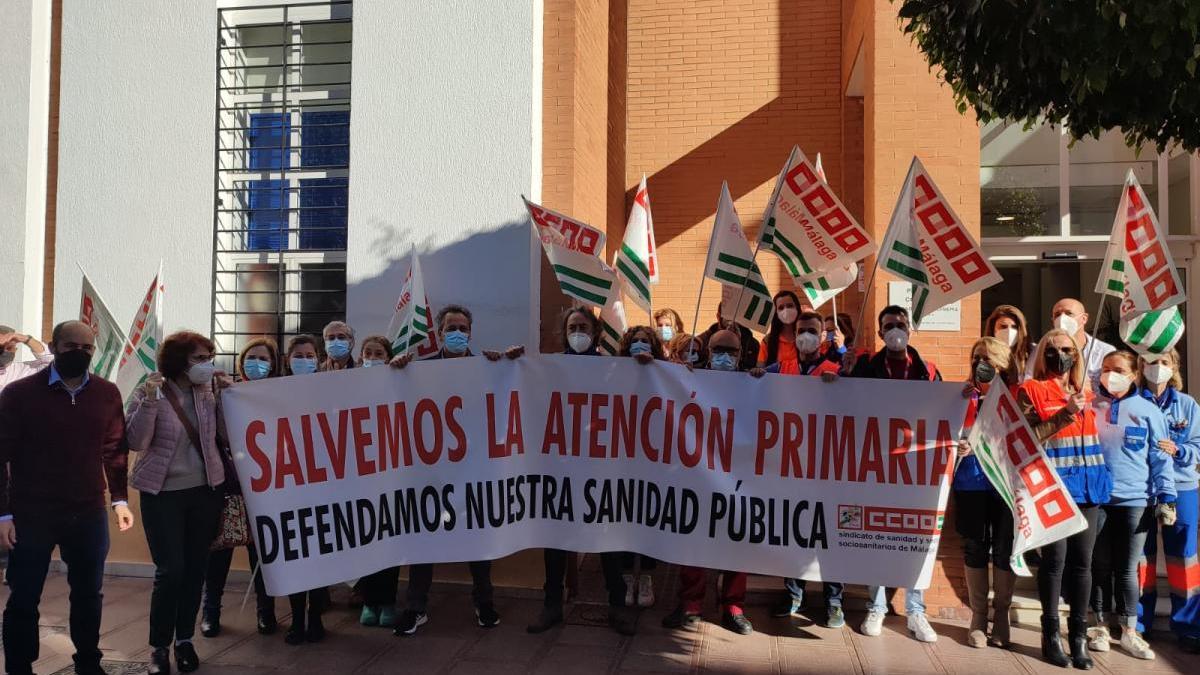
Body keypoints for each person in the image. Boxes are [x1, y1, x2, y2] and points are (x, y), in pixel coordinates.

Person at [0, 320, 133, 675]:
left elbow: (115, 449)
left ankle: (88, 662)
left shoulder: (107, 394)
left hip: (87, 512)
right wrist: (3, 516)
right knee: (24, 597)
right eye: (72, 346)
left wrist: (120, 500)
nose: (81, 353)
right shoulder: (18, 394)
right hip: (31, 513)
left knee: (89, 595)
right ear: (54, 346)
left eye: (88, 348)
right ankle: (19, 667)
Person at [389, 304, 523, 636]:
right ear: (439, 331)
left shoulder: (485, 366)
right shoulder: (421, 370)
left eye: (463, 328)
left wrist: (506, 364)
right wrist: (398, 369)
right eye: (451, 327)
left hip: (474, 471)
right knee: (424, 541)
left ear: (471, 333)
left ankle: (484, 602)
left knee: (478, 540)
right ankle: (416, 607)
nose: (458, 333)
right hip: (431, 474)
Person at [527, 307, 637, 636]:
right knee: (556, 539)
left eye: (583, 326)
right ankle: (552, 605)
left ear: (596, 332)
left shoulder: (613, 367)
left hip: (601, 469)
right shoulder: (550, 367)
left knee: (607, 541)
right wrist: (511, 360)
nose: (577, 331)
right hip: (560, 469)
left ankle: (617, 606)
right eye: (572, 326)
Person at [126, 331, 230, 674]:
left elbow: (227, 437)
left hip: (205, 491)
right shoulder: (148, 390)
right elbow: (136, 439)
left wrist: (229, 398)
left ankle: (184, 640)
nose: (207, 364)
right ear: (179, 360)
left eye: (209, 357)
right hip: (162, 494)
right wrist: (151, 400)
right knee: (171, 571)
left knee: (195, 568)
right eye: (199, 358)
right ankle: (159, 647)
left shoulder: (209, 394)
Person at [843, 305, 938, 642]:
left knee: (917, 539)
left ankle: (916, 611)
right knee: (873, 533)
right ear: (881, 333)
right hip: (875, 464)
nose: (895, 329)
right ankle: (877, 606)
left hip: (914, 470)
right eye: (889, 325)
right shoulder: (868, 366)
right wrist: (845, 374)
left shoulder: (928, 370)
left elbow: (942, 412)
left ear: (910, 329)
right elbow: (846, 405)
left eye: (900, 324)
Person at [1018, 328, 1110, 669]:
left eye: (1067, 349)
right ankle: (1051, 633)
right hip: (1053, 490)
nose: (1061, 355)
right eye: (1053, 349)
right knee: (1055, 563)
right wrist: (1064, 414)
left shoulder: (1086, 391)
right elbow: (1026, 437)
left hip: (1089, 488)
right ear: (1043, 354)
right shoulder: (1031, 389)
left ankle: (1078, 636)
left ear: (1077, 353)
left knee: (1082, 565)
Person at [661, 328, 757, 635]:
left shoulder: (754, 384)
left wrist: (762, 381)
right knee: (693, 540)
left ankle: (733, 606)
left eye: (731, 351)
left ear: (741, 355)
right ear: (708, 352)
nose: (724, 357)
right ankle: (691, 603)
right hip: (697, 475)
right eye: (718, 350)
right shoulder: (691, 379)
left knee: (738, 541)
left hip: (737, 478)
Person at [1086, 351, 1174, 661]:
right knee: (1099, 565)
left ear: (1134, 374)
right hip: (1097, 499)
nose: (1111, 375)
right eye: (1106, 369)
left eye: (1119, 370)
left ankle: (1128, 631)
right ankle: (1097, 626)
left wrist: (1168, 497)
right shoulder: (1090, 407)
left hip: (1137, 500)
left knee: (1127, 570)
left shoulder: (1149, 411)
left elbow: (1160, 457)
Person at [767, 311, 843, 627]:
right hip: (790, 465)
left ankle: (834, 601)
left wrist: (842, 381)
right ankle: (793, 593)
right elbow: (745, 384)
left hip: (828, 466)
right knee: (793, 531)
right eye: (801, 330)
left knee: (831, 535)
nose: (806, 335)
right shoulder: (781, 367)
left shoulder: (836, 369)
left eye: (812, 330)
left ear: (823, 334)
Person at [201, 338, 278, 639]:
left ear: (273, 365)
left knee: (264, 555)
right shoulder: (223, 394)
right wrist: (222, 394)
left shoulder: (279, 394)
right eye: (251, 357)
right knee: (219, 551)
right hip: (230, 486)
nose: (257, 363)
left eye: (263, 358)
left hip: (266, 489)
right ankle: (210, 611)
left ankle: (265, 611)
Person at [953, 337, 1020, 649]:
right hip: (971, 482)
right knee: (975, 548)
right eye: (977, 357)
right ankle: (978, 617)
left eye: (990, 360)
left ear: (1002, 364)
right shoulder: (962, 396)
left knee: (1004, 549)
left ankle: (1001, 616)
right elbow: (945, 434)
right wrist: (958, 445)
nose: (982, 364)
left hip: (1005, 484)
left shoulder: (1017, 396)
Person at [1136, 349, 1200, 653]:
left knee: (1183, 559)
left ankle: (1187, 626)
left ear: (1174, 366)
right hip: (1142, 488)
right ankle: (1138, 624)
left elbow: (1198, 447)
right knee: (1141, 558)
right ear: (1140, 366)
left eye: (1164, 362)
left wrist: (1180, 450)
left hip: (1183, 486)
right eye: (1150, 362)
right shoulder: (1131, 403)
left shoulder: (1187, 405)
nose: (1157, 368)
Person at [279, 334, 331, 645]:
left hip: (323, 486)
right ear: (288, 360)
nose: (304, 360)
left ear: (318, 358)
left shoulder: (331, 387)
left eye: (309, 355)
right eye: (298, 355)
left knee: (319, 558)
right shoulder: (271, 391)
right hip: (287, 488)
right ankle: (297, 618)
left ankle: (315, 617)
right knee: (295, 557)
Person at [616, 325, 666, 607]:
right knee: (623, 516)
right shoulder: (614, 370)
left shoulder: (665, 372)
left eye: (645, 341)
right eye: (634, 341)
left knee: (648, 517)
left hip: (654, 459)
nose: (639, 345)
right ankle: (626, 577)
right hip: (622, 457)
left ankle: (646, 576)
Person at [354, 335, 401, 627]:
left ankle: (388, 602)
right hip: (358, 477)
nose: (373, 357)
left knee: (391, 541)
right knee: (365, 539)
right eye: (368, 352)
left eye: (379, 353)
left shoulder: (397, 381)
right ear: (360, 356)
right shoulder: (348, 383)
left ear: (388, 356)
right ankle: (368, 602)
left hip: (391, 475)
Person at [1025, 298, 1115, 390]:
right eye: (1057, 315)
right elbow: (1029, 379)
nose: (1062, 318)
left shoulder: (1105, 351)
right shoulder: (1042, 350)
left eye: (1069, 313)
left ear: (1084, 318)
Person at [697, 303, 759, 371]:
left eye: (737, 317)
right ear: (718, 317)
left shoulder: (752, 344)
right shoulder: (702, 341)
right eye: (729, 316)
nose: (733, 321)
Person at [985, 305, 1034, 381]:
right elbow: (977, 384)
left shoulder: (1034, 352)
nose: (1009, 331)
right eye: (1003, 326)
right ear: (993, 329)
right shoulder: (984, 354)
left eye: (1014, 327)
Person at [756, 291, 801, 371]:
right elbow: (760, 370)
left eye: (790, 306)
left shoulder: (807, 337)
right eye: (781, 308)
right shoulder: (768, 341)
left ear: (797, 307)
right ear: (775, 312)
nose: (786, 310)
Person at [0, 325, 53, 394]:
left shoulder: (22, 371)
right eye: (0, 348)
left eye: (9, 348)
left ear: (15, 350)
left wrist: (26, 339)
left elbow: (55, 365)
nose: (4, 352)